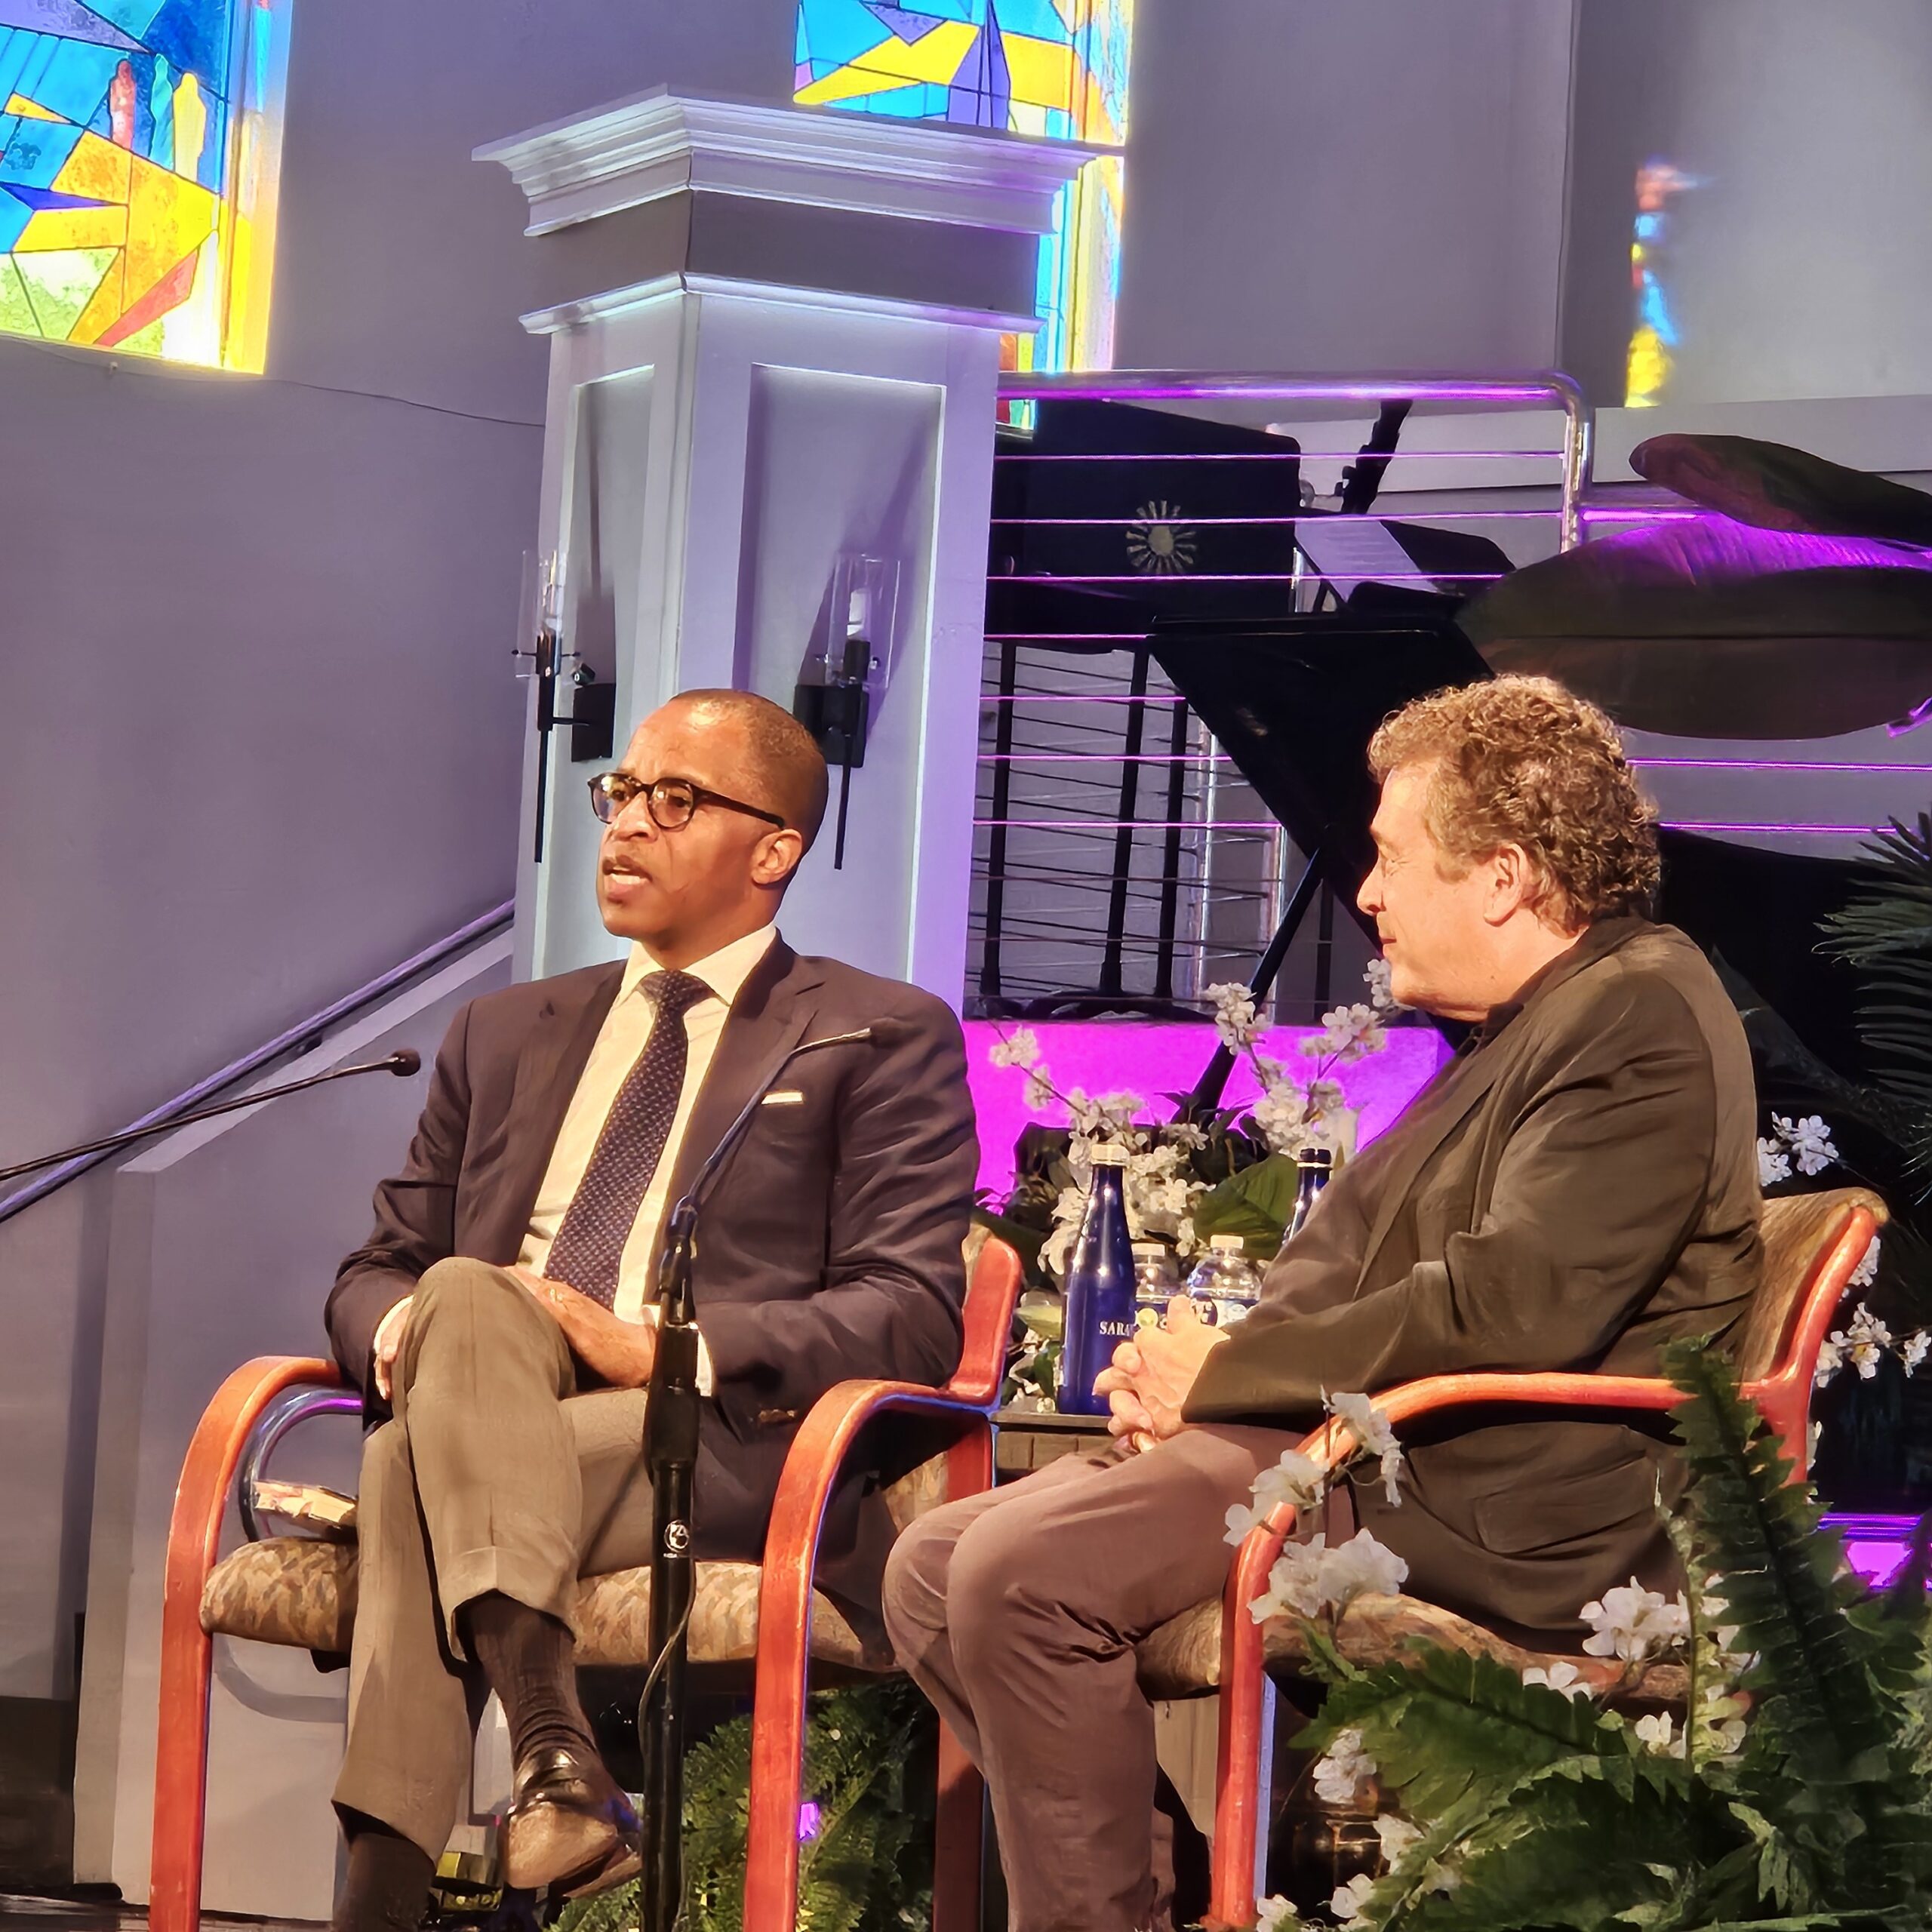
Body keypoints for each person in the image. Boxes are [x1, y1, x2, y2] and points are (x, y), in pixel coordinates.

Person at [882, 675, 1762, 1932]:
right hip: (1361, 1448)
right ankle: (1156, 1897)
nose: (1366, 894)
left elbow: (1511, 1308)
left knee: (1020, 1572)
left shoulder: (1638, 1020)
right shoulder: (1528, 1029)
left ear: (1504, 877)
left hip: (1492, 1500)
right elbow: (1348, 1259)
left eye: (1394, 859)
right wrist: (1200, 1361)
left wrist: (1228, 1379)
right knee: (931, 1567)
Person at [322, 689, 978, 1930]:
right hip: (493, 1394)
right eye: (617, 794)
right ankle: (559, 1768)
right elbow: (379, 1267)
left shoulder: (871, 1033)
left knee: (414, 1467)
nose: (625, 825)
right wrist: (410, 1331)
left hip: (703, 1437)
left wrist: (661, 1345)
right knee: (456, 1296)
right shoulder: (506, 1028)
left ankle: (383, 1901)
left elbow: (909, 1313)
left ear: (775, 849)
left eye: (673, 800)